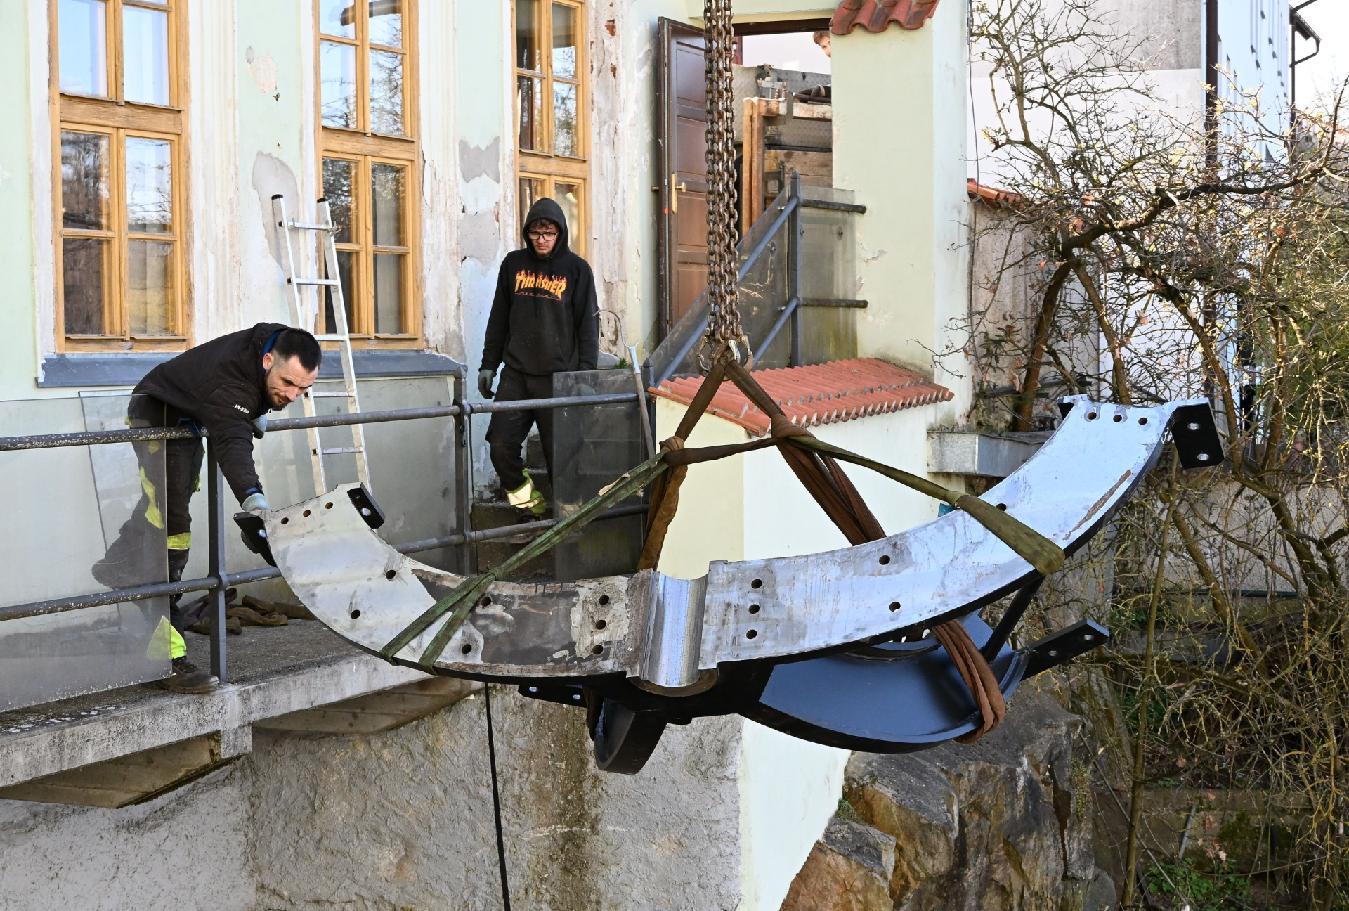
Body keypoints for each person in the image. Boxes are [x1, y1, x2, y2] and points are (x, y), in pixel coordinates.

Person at [92, 324, 322, 693]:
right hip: (157, 413)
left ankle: (119, 564)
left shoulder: (270, 343)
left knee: (167, 502)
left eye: (303, 388)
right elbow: (233, 445)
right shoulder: (230, 386)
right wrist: (255, 503)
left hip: (188, 416)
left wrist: (258, 405)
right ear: (267, 361)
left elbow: (269, 338)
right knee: (172, 526)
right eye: (288, 383)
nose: (293, 395)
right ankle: (165, 658)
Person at [478, 198, 599, 517]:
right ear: (527, 233)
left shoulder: (577, 270)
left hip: (559, 378)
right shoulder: (513, 264)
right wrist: (488, 364)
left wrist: (584, 376)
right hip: (516, 375)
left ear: (560, 234)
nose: (542, 239)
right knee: (500, 445)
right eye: (535, 233)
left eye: (548, 233)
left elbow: (588, 326)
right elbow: (499, 317)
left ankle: (568, 520)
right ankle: (529, 507)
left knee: (563, 455)